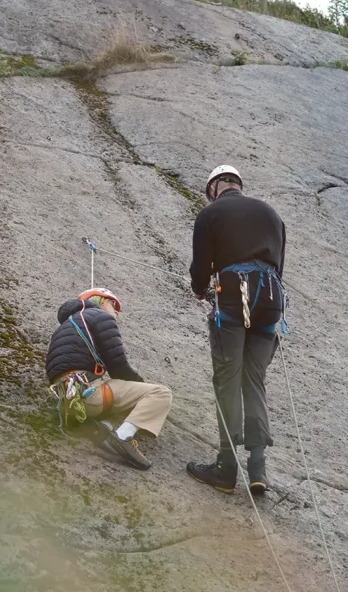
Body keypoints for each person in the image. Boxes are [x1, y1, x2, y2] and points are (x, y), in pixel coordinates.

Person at [186, 165, 286, 495]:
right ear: (238, 185)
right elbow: (279, 267)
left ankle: (226, 469)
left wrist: (200, 288)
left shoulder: (211, 213)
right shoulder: (271, 215)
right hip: (270, 300)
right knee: (253, 379)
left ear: (214, 187)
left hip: (233, 296)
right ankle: (258, 471)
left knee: (228, 377)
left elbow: (202, 267)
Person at [46, 288, 173, 471]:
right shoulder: (100, 318)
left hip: (67, 401)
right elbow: (119, 366)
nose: (116, 314)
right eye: (115, 307)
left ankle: (105, 428)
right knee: (160, 394)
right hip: (89, 396)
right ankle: (122, 436)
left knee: (128, 404)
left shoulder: (65, 327)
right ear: (104, 302)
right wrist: (141, 385)